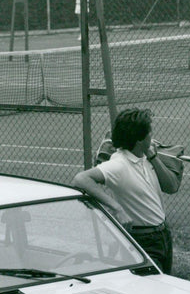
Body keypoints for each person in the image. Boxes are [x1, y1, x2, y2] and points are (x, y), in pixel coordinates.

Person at [72, 108, 179, 273]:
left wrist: (153, 156)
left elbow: (171, 187)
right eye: (150, 132)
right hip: (142, 239)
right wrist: (117, 209)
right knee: (150, 291)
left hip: (163, 235)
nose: (153, 136)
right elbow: (81, 179)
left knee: (163, 287)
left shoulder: (146, 157)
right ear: (139, 139)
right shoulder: (119, 165)